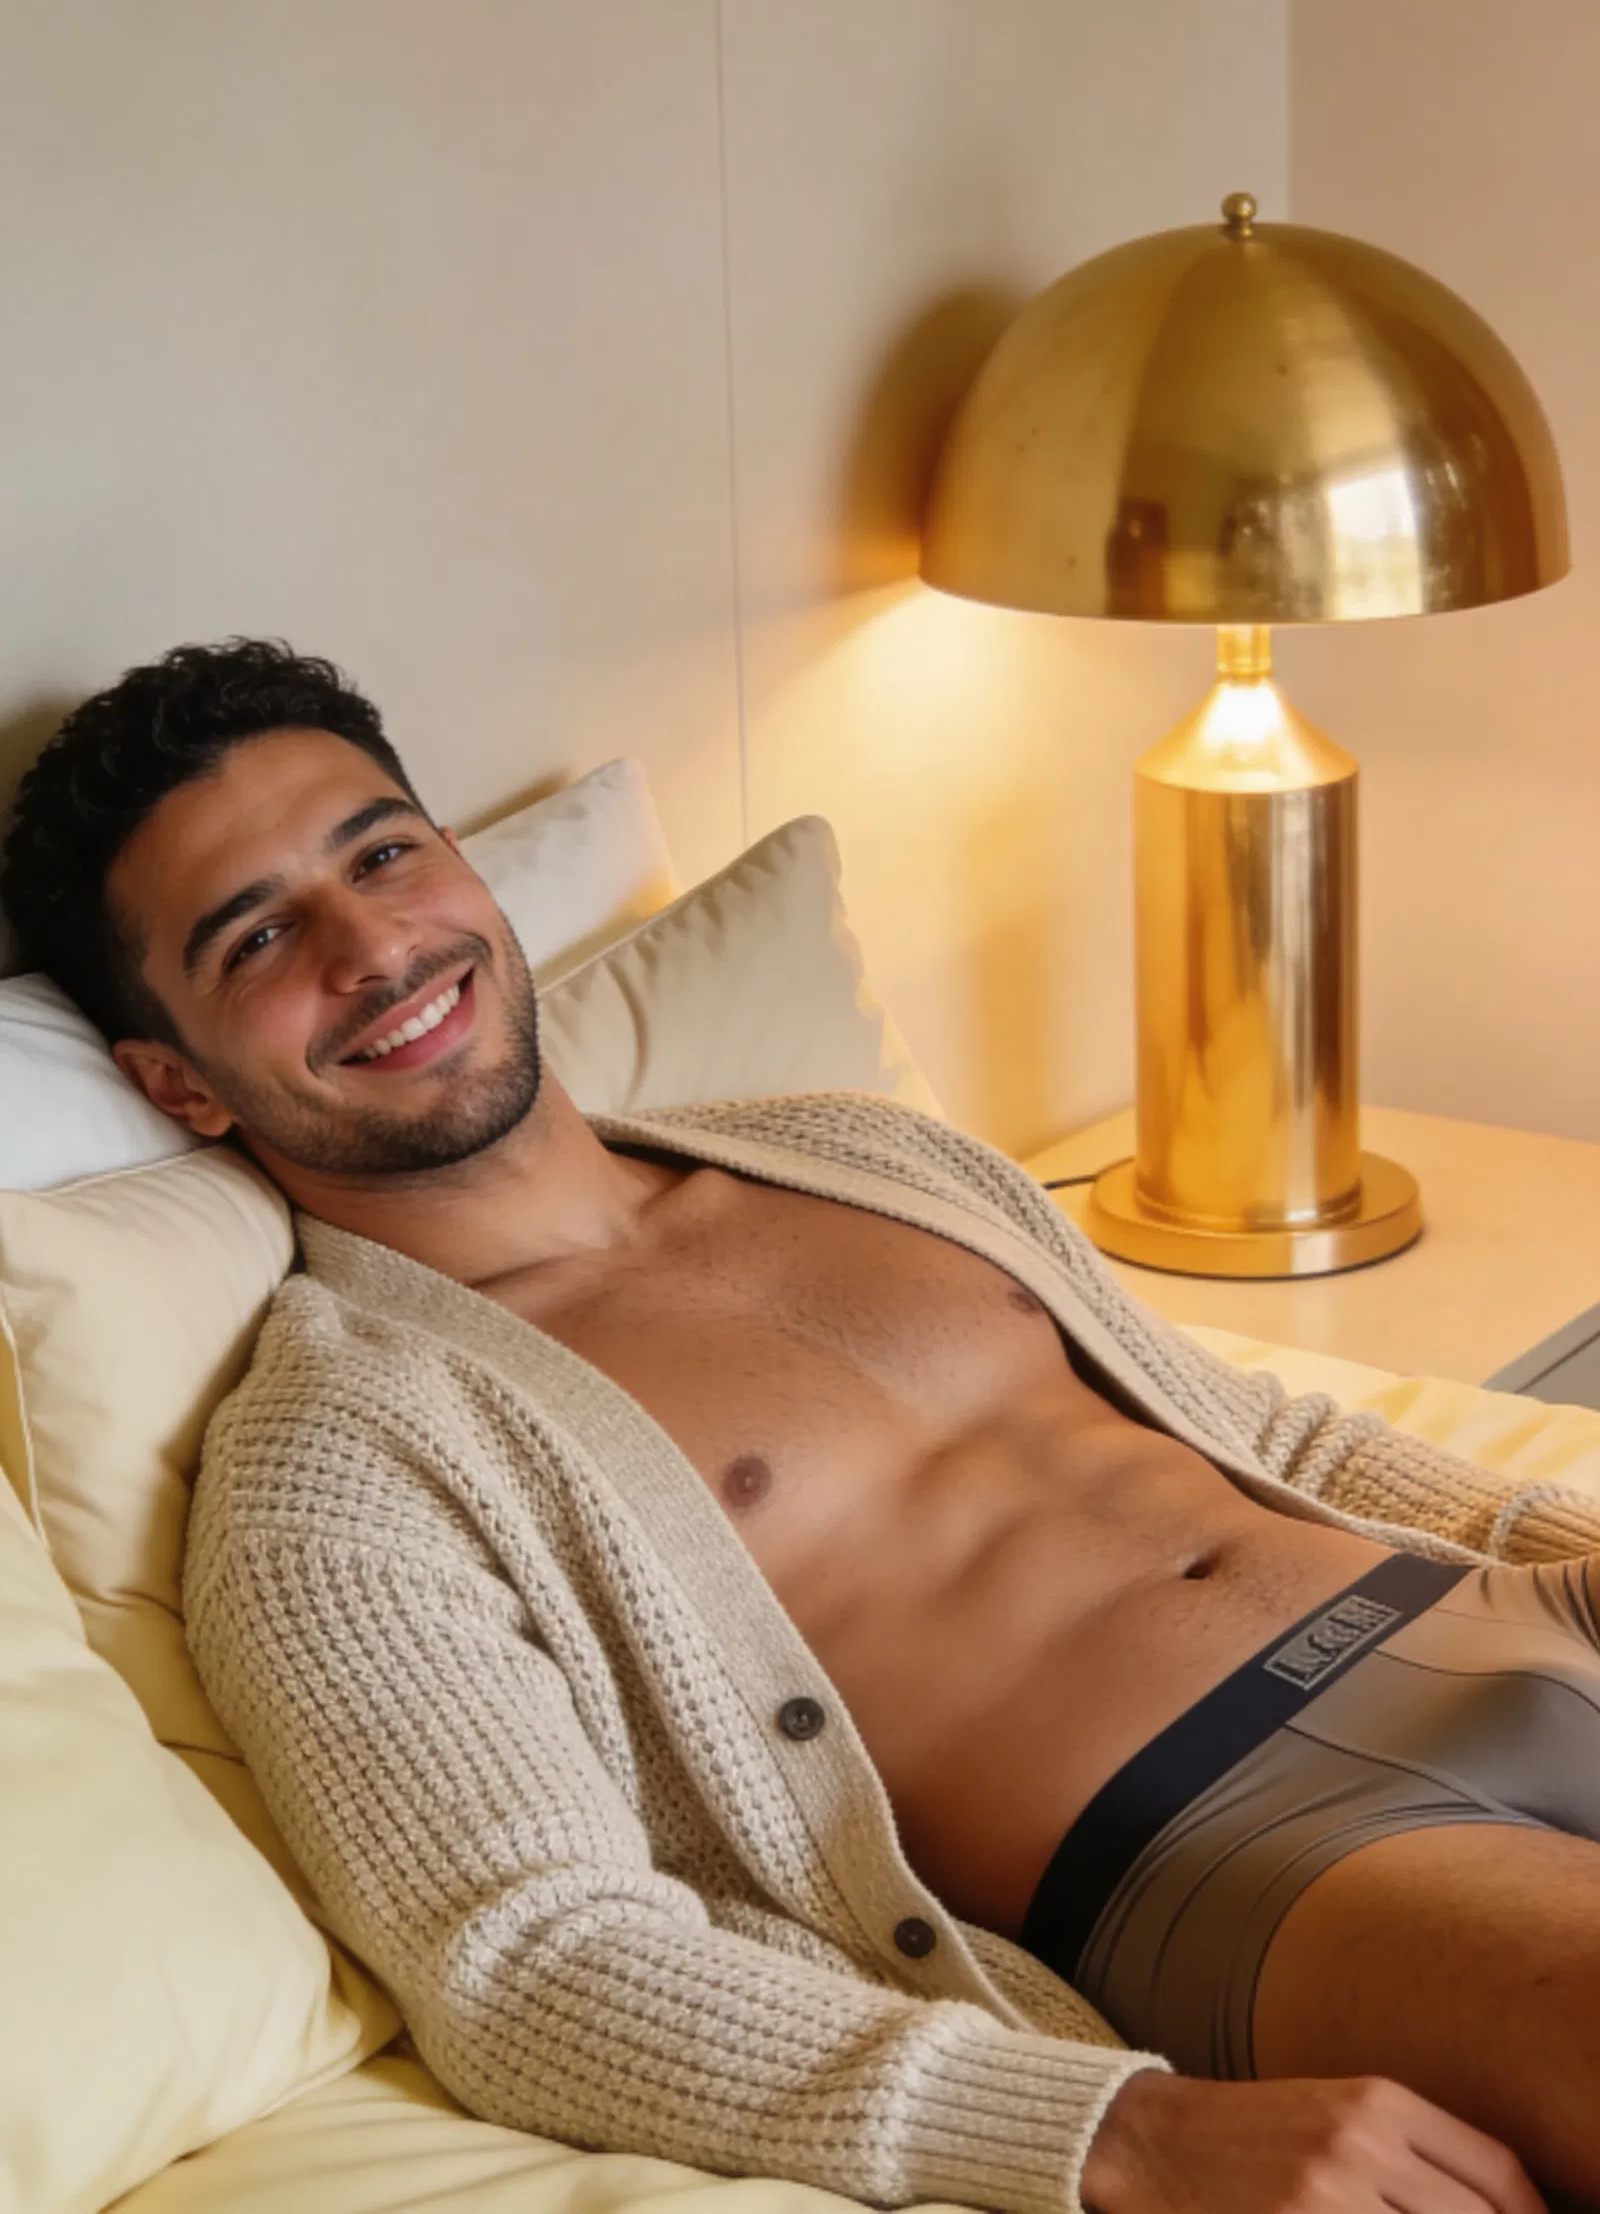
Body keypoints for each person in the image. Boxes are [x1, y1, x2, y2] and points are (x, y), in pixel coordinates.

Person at [3, 639, 1597, 2214]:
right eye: (260, 935)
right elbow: (534, 1955)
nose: (372, 946)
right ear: (180, 1082)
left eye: (385, 854)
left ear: (468, 874)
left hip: (1491, 1617)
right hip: (1261, 1840)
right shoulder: (339, 1464)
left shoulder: (848, 1147)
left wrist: (1567, 1553)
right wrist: (1118, 2134)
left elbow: (1270, 1440)